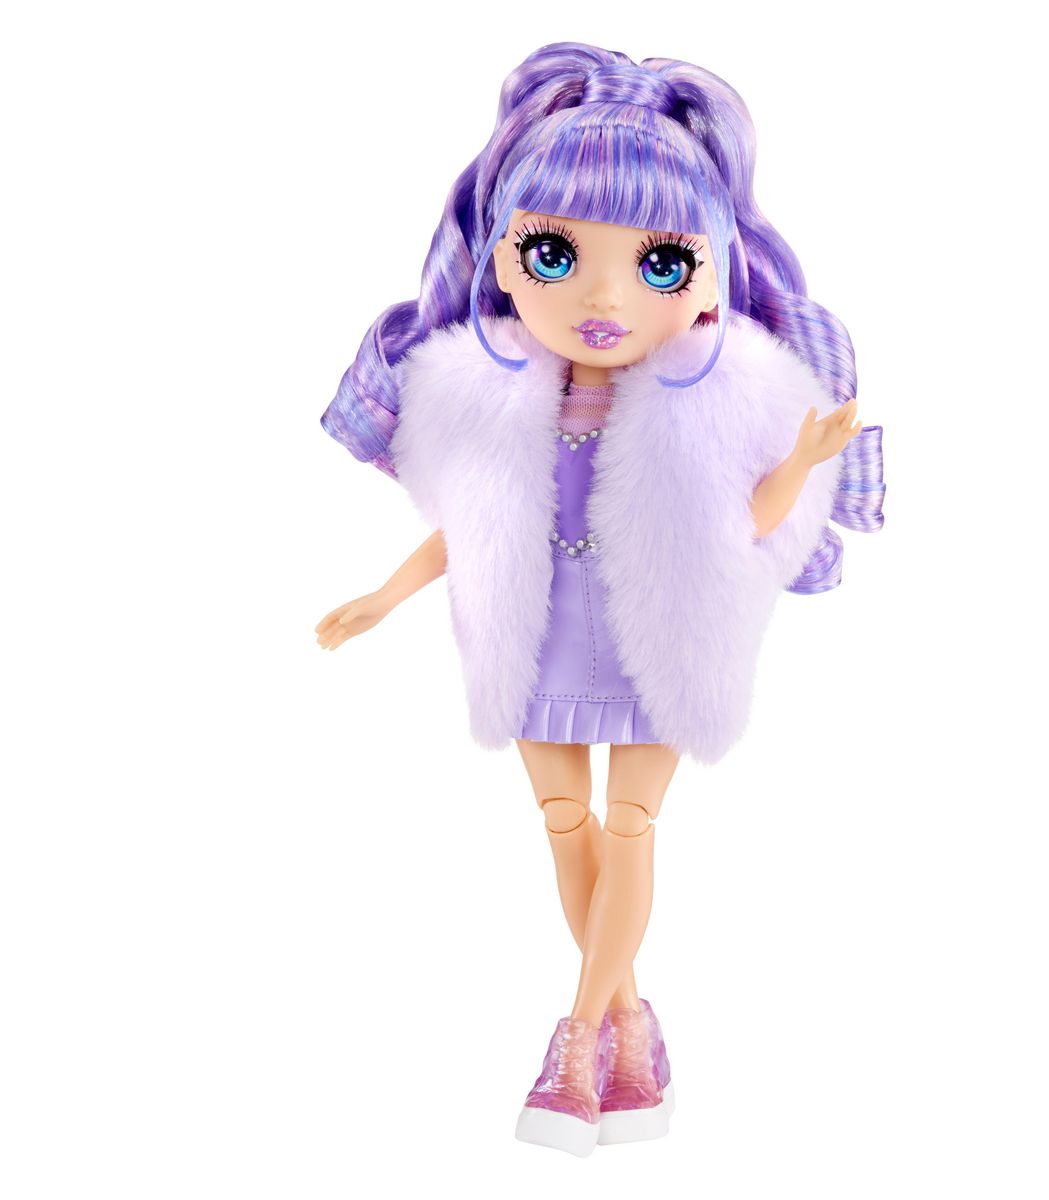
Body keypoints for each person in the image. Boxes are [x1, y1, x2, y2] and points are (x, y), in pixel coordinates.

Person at [315, 42, 884, 1157]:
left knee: (630, 826)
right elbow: (476, 526)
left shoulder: (711, 401)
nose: (606, 297)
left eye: (660, 263)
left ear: (715, 270)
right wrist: (385, 595)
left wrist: (804, 459)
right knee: (566, 824)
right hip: (531, 635)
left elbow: (748, 525)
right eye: (555, 253)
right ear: (501, 259)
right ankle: (633, 1027)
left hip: (656, 638)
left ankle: (577, 1037)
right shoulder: (491, 394)